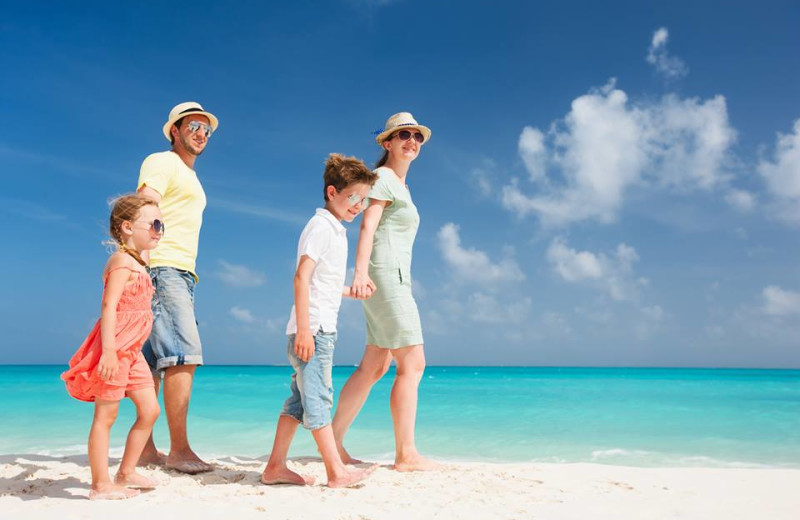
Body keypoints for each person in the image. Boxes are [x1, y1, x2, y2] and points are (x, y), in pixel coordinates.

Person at [261, 154, 378, 488]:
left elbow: (320, 284)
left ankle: (274, 467)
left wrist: (348, 292)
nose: (358, 205)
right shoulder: (321, 227)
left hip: (317, 328)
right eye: (353, 197)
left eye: (363, 199)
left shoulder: (336, 230)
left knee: (298, 403)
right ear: (331, 192)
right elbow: (301, 278)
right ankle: (336, 472)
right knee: (319, 400)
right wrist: (305, 331)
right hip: (313, 331)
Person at [332, 113, 440, 471]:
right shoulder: (383, 178)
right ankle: (406, 454)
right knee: (413, 362)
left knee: (375, 365)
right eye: (403, 135)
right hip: (384, 276)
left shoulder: (401, 185)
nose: (411, 140)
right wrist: (360, 272)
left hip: (394, 275)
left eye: (416, 136)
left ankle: (331, 443)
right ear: (387, 142)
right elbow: (368, 226)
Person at [61, 194, 164, 500]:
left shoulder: (140, 263)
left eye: (163, 225)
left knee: (150, 410)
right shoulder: (121, 262)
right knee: (105, 417)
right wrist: (108, 351)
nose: (159, 230)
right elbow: (109, 306)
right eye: (154, 223)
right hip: (117, 349)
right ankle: (100, 485)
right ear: (127, 227)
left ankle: (126, 471)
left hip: (133, 353)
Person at [135, 102, 218, 474]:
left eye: (207, 129)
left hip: (182, 272)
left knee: (153, 364)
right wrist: (143, 261)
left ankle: (145, 449)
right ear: (175, 130)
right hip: (164, 267)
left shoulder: (191, 176)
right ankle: (180, 450)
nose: (201, 133)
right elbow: (147, 203)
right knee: (184, 355)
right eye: (194, 126)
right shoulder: (162, 161)